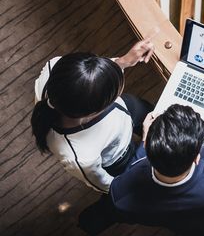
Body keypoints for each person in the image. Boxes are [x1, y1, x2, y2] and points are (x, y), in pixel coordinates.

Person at [80, 83, 204, 236]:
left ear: (147, 148)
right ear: (197, 157)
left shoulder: (122, 193)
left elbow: (133, 173)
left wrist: (146, 140)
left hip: (175, 223)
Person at [31, 39, 155, 193]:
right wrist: (144, 144)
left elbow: (86, 78)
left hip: (126, 110)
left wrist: (123, 62)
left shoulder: (54, 66)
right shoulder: (81, 157)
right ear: (93, 112)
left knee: (154, 113)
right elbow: (112, 186)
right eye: (115, 93)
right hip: (120, 156)